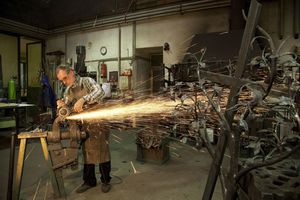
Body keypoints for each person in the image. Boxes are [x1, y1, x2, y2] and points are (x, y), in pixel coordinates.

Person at [56, 64, 112, 193]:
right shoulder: (68, 91)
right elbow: (69, 109)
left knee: (102, 151)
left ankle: (105, 180)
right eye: (62, 80)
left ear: (72, 72)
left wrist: (83, 99)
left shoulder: (87, 81)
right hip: (84, 124)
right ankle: (89, 181)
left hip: (99, 122)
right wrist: (63, 106)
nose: (64, 82)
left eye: (65, 78)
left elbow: (100, 92)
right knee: (87, 153)